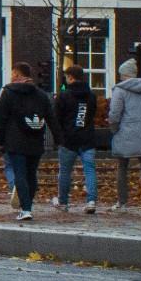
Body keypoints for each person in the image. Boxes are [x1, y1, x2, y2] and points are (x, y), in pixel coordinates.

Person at [0, 63, 52, 221]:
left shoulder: (8, 93)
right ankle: (28, 206)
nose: (11, 77)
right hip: (36, 140)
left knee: (19, 173)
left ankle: (25, 209)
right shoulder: (41, 95)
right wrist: (59, 139)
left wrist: (0, 140)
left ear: (18, 75)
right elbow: (50, 117)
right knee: (31, 174)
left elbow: (1, 118)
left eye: (13, 74)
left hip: (15, 140)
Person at [107, 59, 141, 215]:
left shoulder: (119, 90)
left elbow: (115, 115)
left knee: (122, 167)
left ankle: (122, 202)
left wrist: (113, 130)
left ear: (124, 74)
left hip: (127, 133)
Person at [50, 66, 100, 213]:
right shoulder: (91, 96)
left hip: (68, 139)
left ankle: (63, 202)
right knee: (90, 170)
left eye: (66, 77)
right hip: (87, 138)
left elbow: (56, 118)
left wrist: (59, 137)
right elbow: (90, 116)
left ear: (71, 77)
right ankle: (91, 201)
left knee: (65, 171)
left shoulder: (64, 96)